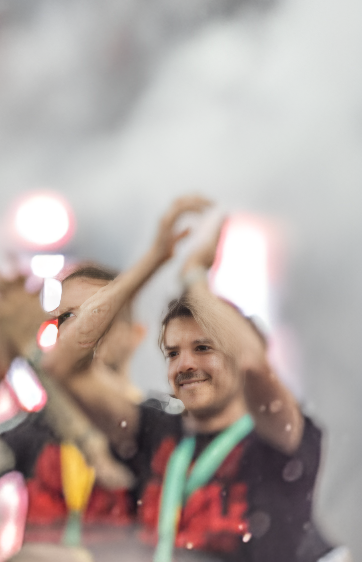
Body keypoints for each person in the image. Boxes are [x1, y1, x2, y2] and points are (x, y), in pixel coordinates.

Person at [43, 198, 341, 562]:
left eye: (203, 348)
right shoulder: (155, 434)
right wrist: (153, 259)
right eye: (172, 353)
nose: (184, 364)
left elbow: (250, 362)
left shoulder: (276, 436)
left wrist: (194, 276)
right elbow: (62, 365)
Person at [0, 262, 141, 547]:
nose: (81, 331)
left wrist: (31, 354)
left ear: (135, 334)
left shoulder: (164, 426)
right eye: (67, 317)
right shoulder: (42, 429)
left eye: (99, 315)